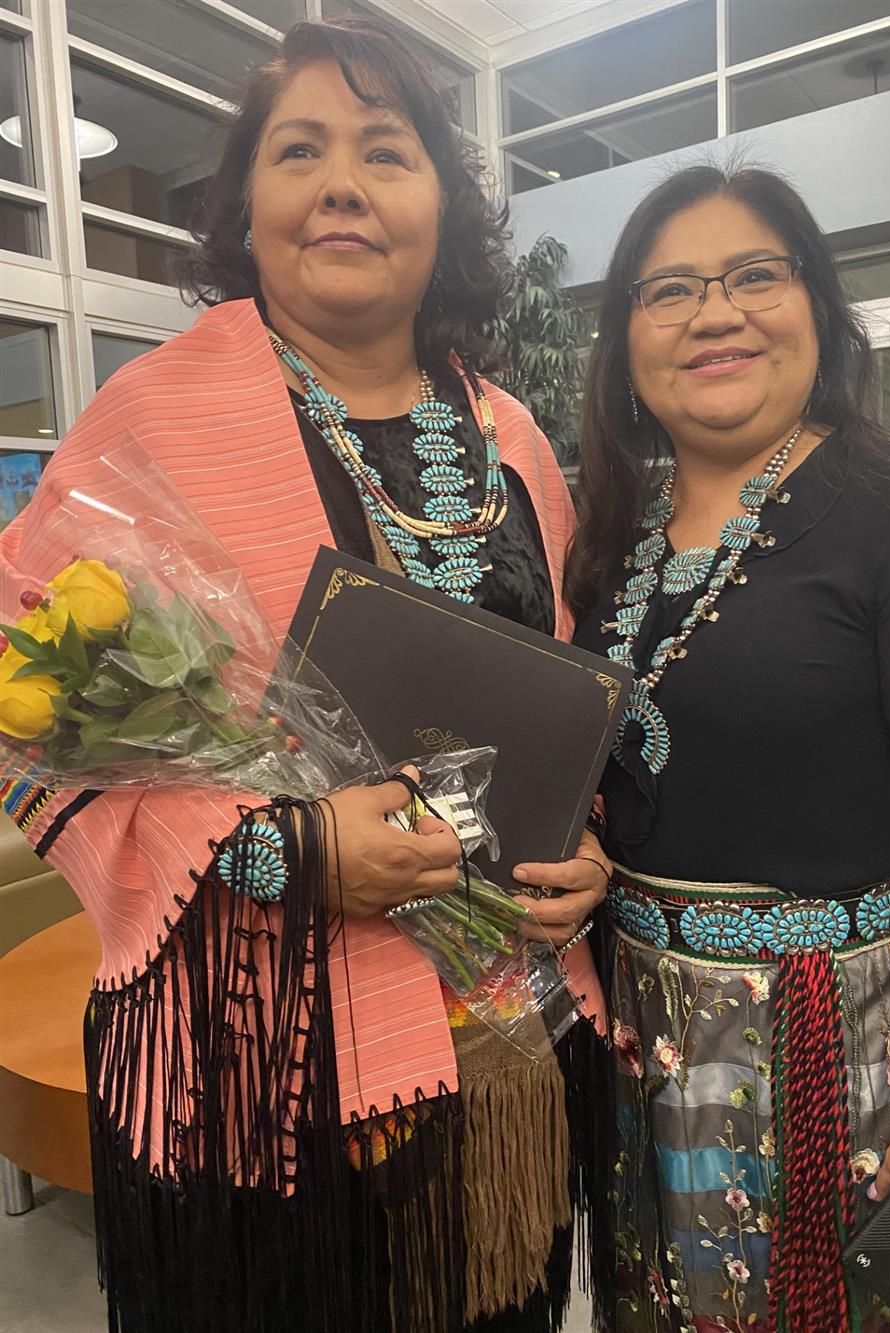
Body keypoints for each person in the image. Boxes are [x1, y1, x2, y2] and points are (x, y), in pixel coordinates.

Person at [0, 19, 612, 1333]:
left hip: (500, 1055)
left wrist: (585, 856)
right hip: (259, 1069)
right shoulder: (146, 427)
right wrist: (279, 854)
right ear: (245, 203)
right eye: (301, 150)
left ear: (442, 205)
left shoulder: (515, 446)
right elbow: (25, 713)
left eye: (386, 151)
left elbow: (563, 704)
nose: (344, 182)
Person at [569, 164, 890, 1332]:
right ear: (625, 345)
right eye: (669, 290)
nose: (715, 312)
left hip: (848, 1052)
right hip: (645, 1048)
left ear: (816, 303)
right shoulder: (609, 544)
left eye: (754, 273)